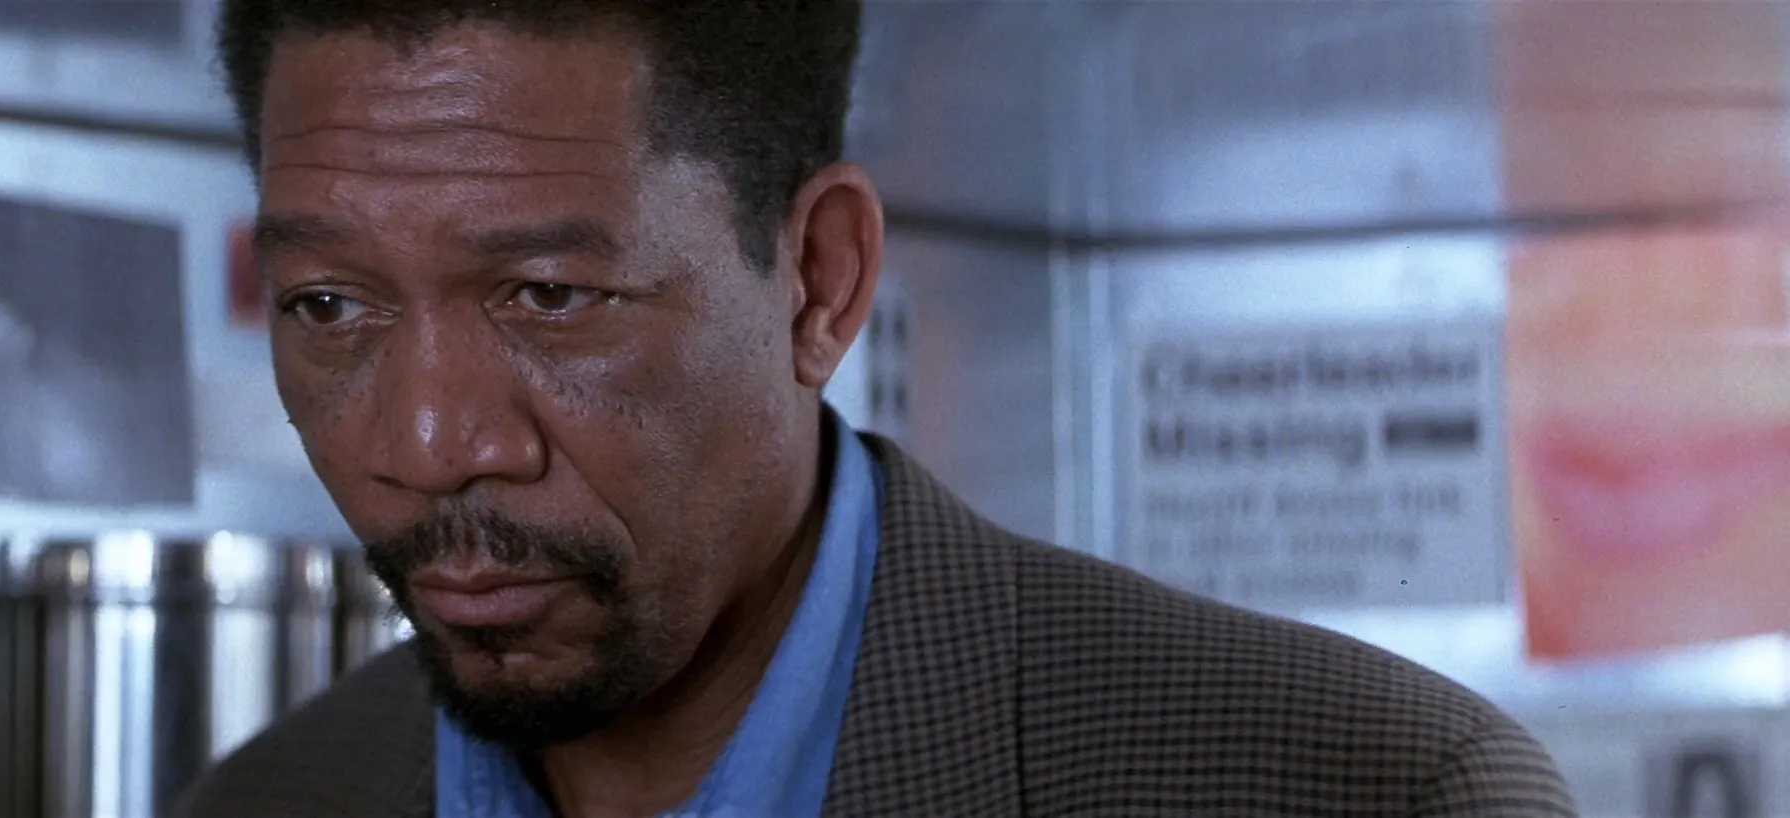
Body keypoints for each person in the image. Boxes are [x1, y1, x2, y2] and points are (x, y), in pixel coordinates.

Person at [178, 1, 1576, 816]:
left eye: (548, 297)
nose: (425, 445)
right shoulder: (271, 805)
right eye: (330, 307)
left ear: (820, 281)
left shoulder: (1371, 791)